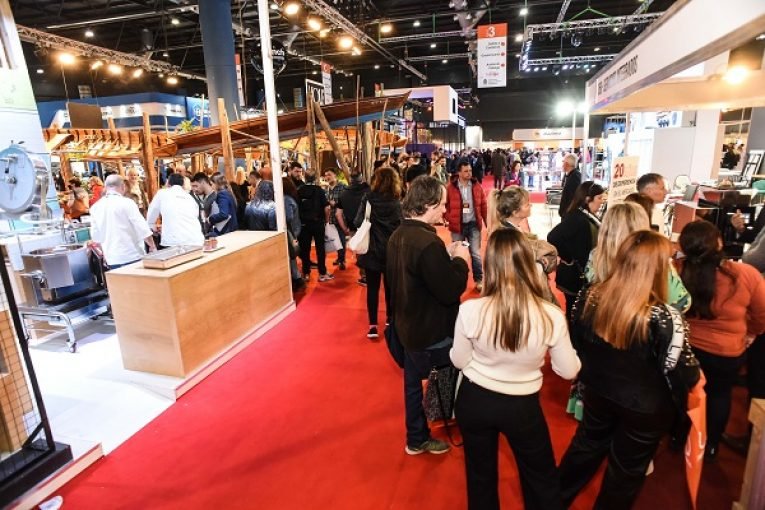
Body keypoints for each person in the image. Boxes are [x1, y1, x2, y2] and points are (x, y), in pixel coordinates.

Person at [558, 230, 700, 509]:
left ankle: (551, 501)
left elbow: (578, 342)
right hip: (644, 408)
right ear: (658, 268)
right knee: (624, 474)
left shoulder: (590, 296)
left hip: (598, 390)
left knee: (585, 447)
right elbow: (685, 372)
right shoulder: (665, 317)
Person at [451, 228, 580, 510]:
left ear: (490, 265)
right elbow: (568, 370)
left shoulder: (471, 310)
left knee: (480, 478)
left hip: (475, 400)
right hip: (522, 406)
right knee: (541, 479)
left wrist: (486, 365)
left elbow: (459, 361)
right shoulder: (550, 315)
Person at [387, 175, 469, 455]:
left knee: (412, 386)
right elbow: (449, 290)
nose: (445, 210)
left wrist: (445, 256)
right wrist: (460, 261)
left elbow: (413, 276)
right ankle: (450, 422)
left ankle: (416, 436)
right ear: (429, 204)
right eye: (442, 205)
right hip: (432, 331)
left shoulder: (398, 235)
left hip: (407, 327)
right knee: (453, 376)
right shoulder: (427, 242)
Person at [676, 220, 765, 460]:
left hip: (688, 347)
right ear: (719, 242)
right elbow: (761, 313)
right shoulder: (746, 275)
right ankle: (711, 445)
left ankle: (678, 437)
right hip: (728, 351)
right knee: (719, 394)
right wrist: (751, 332)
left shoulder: (679, 270)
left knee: (685, 391)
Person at [586, 202, 691, 312]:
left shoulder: (596, 255)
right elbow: (683, 302)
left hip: (604, 317)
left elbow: (591, 286)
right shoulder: (654, 258)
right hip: (644, 319)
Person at [354, 167, 402, 339]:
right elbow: (401, 224)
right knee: (390, 288)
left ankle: (373, 325)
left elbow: (357, 221)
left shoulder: (368, 198)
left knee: (372, 289)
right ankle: (390, 319)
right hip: (391, 250)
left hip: (372, 249)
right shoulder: (396, 201)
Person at [547, 182, 605, 315]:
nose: (602, 201)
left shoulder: (587, 216)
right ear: (588, 199)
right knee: (574, 312)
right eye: (599, 198)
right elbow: (553, 237)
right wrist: (569, 258)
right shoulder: (577, 218)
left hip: (582, 275)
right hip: (575, 277)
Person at [89, 174, 157, 268]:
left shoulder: (95, 207)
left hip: (112, 258)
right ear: (122, 186)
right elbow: (142, 228)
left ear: (106, 187)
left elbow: (96, 236)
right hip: (132, 254)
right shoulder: (127, 203)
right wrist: (152, 246)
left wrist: (104, 253)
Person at [444, 161, 488, 291]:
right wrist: (449, 218)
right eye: (466, 171)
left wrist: (487, 223)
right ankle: (456, 281)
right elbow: (444, 205)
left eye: (470, 171)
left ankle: (479, 280)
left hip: (474, 224)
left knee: (475, 253)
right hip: (458, 226)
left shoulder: (476, 186)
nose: (469, 173)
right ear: (459, 173)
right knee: (457, 254)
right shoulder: (450, 188)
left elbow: (484, 205)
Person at [146, 173, 204, 248]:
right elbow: (194, 216)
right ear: (183, 185)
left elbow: (152, 214)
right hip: (196, 239)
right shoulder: (190, 197)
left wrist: (151, 225)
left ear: (168, 183)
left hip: (174, 241)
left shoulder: (162, 193)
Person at [297, 169, 332, 282]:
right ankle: (322, 273)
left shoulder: (299, 190)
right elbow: (327, 208)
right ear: (316, 178)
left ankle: (306, 273)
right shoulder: (319, 190)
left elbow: (296, 208)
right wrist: (326, 221)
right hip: (318, 223)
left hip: (304, 224)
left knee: (305, 249)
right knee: (320, 249)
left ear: (305, 177)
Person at [323, 168, 348, 270]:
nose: (327, 177)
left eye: (329, 174)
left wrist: (335, 204)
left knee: (341, 239)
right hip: (331, 218)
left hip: (341, 218)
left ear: (335, 175)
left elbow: (346, 202)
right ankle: (340, 258)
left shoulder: (343, 187)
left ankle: (342, 260)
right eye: (326, 175)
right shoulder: (327, 189)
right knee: (336, 240)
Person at [282, 177, 304, 290]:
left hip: (291, 230)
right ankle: (297, 278)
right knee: (291, 255)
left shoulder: (286, 199)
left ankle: (296, 278)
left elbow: (288, 217)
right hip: (294, 229)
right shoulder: (290, 198)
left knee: (291, 254)